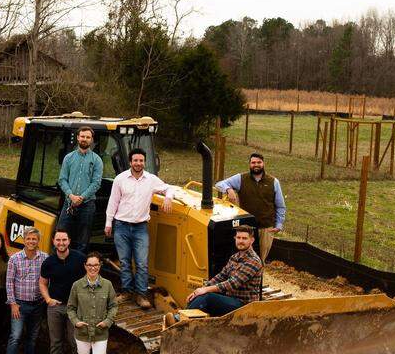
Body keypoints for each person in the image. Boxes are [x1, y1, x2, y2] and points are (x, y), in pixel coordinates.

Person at [104, 148, 175, 309]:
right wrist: (108, 223)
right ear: (130, 162)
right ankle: (127, 292)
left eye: (141, 160)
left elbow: (168, 188)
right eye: (135, 160)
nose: (138, 163)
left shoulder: (151, 179)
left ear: (144, 162)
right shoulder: (120, 179)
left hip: (140, 228)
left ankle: (141, 295)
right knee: (125, 261)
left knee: (142, 263)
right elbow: (113, 202)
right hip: (121, 226)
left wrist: (168, 198)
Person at [214, 152, 286, 261]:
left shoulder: (273, 182)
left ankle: (258, 277)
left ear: (263, 164)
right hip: (246, 228)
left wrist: (279, 224)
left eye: (259, 162)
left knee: (261, 259)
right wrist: (228, 189)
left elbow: (280, 206)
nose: (256, 165)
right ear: (249, 164)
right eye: (253, 162)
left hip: (266, 227)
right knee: (244, 259)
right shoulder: (241, 178)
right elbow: (219, 184)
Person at [67, 253, 117, 354]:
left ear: (99, 266)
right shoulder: (77, 285)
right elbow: (71, 307)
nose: (93, 268)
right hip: (82, 332)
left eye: (96, 265)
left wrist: (108, 321)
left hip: (101, 332)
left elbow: (113, 306)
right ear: (85, 266)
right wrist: (76, 322)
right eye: (90, 265)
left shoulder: (108, 285)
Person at [39, 230, 86, 354]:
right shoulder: (49, 262)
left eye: (64, 240)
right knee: (56, 342)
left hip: (75, 309)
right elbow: (43, 283)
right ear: (53, 241)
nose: (61, 243)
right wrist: (48, 299)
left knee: (76, 343)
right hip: (56, 307)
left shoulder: (80, 259)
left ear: (69, 241)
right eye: (58, 240)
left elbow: (90, 279)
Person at [186, 226, 264, 316]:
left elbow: (233, 283)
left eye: (244, 238)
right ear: (235, 238)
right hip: (230, 300)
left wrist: (206, 290)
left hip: (244, 305)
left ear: (252, 240)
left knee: (207, 297)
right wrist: (199, 290)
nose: (241, 241)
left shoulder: (253, 261)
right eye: (238, 238)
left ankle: (178, 320)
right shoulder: (234, 257)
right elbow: (220, 276)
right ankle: (181, 318)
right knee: (199, 295)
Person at [4, 227, 47, 354]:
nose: (31, 242)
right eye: (28, 239)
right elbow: (9, 282)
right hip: (19, 306)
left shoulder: (44, 258)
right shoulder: (14, 259)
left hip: (37, 305)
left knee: (32, 338)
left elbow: (47, 279)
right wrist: (13, 303)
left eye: (34, 239)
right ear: (24, 240)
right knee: (15, 337)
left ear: (38, 241)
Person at [55, 126, 103, 255]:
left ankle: (77, 265)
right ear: (77, 137)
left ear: (91, 140)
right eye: (82, 136)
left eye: (88, 137)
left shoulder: (97, 160)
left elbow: (96, 183)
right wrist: (71, 196)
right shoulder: (68, 158)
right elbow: (62, 179)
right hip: (68, 204)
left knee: (83, 240)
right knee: (61, 235)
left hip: (87, 205)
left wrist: (81, 198)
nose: (84, 139)